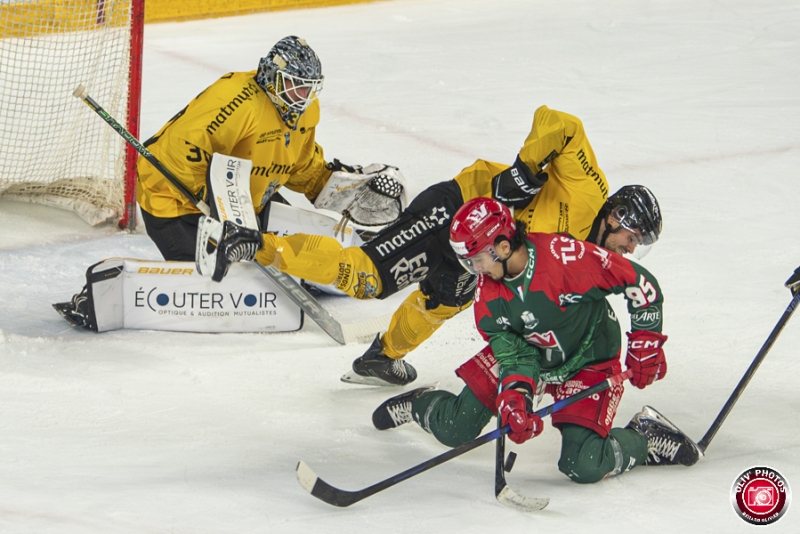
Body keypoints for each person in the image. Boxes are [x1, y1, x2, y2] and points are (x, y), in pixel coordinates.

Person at [211, 105, 663, 386]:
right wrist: (525, 172)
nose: (629, 248)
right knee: (365, 277)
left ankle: (381, 358)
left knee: (437, 304)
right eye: (632, 237)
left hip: (480, 260)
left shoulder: (588, 260)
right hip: (458, 210)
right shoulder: (589, 189)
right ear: (616, 215)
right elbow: (561, 123)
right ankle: (256, 244)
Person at [371, 198, 700, 484]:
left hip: (589, 358)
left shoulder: (565, 260)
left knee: (583, 464)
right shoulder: (488, 299)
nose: (474, 269)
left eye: (476, 259)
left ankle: (645, 437)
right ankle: (418, 403)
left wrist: (646, 342)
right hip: (538, 357)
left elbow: (639, 283)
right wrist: (517, 396)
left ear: (502, 246)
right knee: (454, 429)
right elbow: (515, 355)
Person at [136, 35, 404, 262]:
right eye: (294, 86)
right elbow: (179, 153)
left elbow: (299, 165)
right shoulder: (235, 100)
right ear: (271, 75)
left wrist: (335, 188)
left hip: (245, 203)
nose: (302, 98)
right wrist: (214, 203)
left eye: (308, 89)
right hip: (176, 203)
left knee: (307, 260)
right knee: (221, 284)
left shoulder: (305, 110)